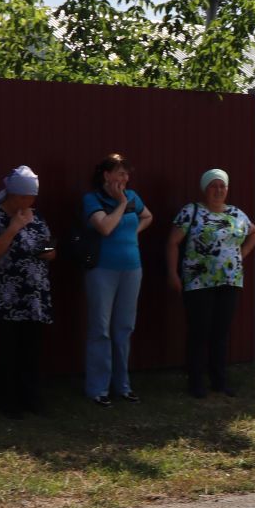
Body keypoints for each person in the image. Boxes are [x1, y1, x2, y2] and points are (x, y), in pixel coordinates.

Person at [167, 168, 255, 397]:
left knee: (221, 332)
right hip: (198, 282)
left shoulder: (236, 214)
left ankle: (219, 381)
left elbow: (254, 232)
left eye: (222, 186)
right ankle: (196, 383)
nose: (218, 190)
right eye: (213, 186)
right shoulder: (192, 211)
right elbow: (172, 242)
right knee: (199, 331)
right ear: (205, 189)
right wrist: (172, 273)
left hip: (230, 281)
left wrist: (240, 255)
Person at [0, 165, 56, 417]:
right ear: (15, 196)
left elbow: (50, 249)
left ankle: (31, 399)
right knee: (7, 351)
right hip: (8, 296)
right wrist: (13, 228)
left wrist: (46, 252)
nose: (32, 201)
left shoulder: (37, 217)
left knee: (31, 351)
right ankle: (7, 402)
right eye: (28, 196)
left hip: (34, 296)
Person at [81, 153, 154, 407]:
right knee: (100, 329)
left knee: (124, 328)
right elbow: (105, 228)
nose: (126, 178)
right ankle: (98, 388)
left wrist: (133, 231)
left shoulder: (133, 196)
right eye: (121, 173)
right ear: (107, 175)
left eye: (127, 173)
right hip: (102, 270)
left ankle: (122, 385)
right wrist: (121, 203)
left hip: (132, 269)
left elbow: (148, 216)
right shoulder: (93, 199)